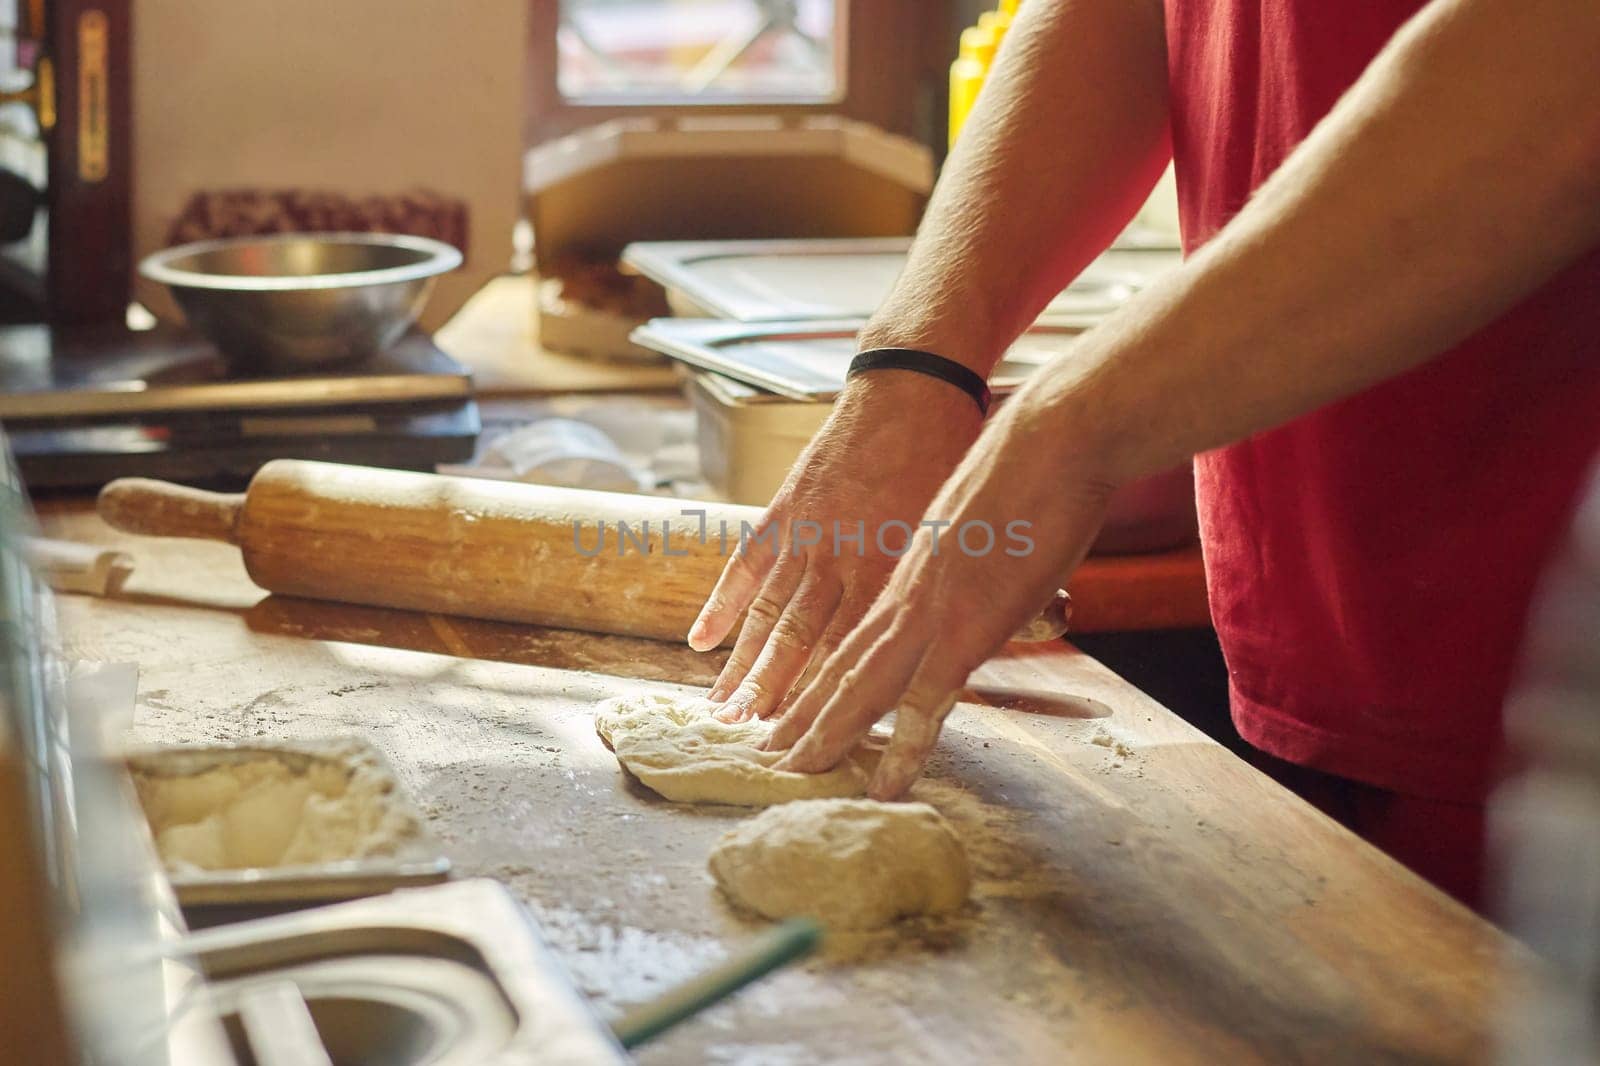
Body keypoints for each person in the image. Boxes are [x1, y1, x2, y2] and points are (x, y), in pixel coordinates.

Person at [686, 0, 1600, 907]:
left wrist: (1069, 428)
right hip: (1314, 614)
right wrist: (917, 361)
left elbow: (1563, 77)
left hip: (1550, 652)